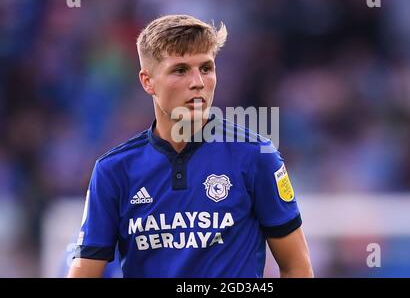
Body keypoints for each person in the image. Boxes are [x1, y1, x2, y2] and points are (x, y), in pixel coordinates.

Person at [67, 14, 314, 278]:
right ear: (147, 81)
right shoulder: (114, 171)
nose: (198, 82)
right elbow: (85, 271)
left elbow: (296, 266)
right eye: (180, 70)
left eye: (206, 68)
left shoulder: (256, 156)